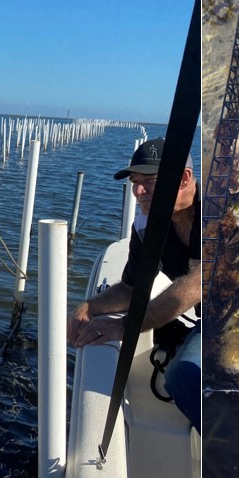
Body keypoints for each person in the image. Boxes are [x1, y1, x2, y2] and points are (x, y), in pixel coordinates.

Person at [67, 137, 201, 431]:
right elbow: (131, 288)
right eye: (135, 183)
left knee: (187, 375)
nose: (138, 192)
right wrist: (89, 306)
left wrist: (125, 326)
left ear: (183, 178)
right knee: (182, 377)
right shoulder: (147, 225)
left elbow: (194, 287)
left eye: (149, 181)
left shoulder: (216, 211)